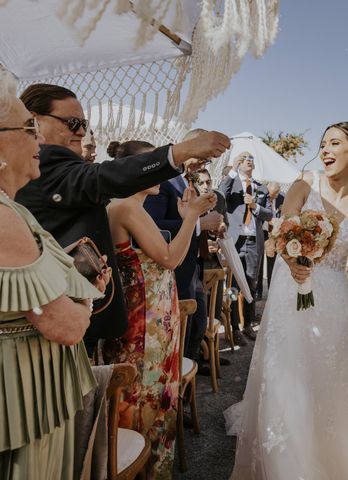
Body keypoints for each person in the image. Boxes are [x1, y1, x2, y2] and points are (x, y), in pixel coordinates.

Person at [15, 84, 230, 354]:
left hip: (75, 310)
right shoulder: (48, 162)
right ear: (34, 120)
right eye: (72, 122)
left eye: (83, 123)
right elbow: (105, 176)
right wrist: (180, 152)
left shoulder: (55, 169)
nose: (81, 131)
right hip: (58, 317)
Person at [224, 122, 348, 479]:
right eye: (323, 143)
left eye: (335, 144)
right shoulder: (305, 183)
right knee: (289, 375)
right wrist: (293, 260)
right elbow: (283, 231)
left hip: (336, 298)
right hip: (294, 288)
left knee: (332, 378)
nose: (325, 150)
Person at [0, 69, 103, 479]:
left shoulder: (14, 208)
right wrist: (86, 296)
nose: (40, 139)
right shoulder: (4, 216)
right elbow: (64, 327)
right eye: (29, 128)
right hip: (21, 396)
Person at [104, 139, 215, 478]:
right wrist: (192, 217)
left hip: (152, 318)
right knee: (146, 402)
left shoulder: (126, 206)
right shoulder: (127, 207)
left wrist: (185, 218)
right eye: (151, 162)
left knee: (152, 399)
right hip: (144, 327)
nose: (161, 170)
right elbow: (169, 259)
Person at [144, 129, 226, 365]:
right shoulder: (161, 180)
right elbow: (152, 226)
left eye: (208, 161)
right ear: (190, 144)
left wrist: (206, 228)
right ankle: (179, 388)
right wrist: (199, 223)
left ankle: (187, 377)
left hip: (190, 268)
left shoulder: (184, 179)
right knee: (182, 336)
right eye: (203, 156)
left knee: (197, 326)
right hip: (172, 271)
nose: (204, 164)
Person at [219, 152, 273, 344]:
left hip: (253, 242)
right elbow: (220, 195)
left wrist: (256, 206)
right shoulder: (231, 183)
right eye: (245, 159)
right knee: (232, 286)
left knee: (251, 284)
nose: (249, 160)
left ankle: (248, 324)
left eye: (252, 159)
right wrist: (232, 170)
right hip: (234, 241)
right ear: (239, 164)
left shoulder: (261, 188)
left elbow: (269, 214)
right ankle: (234, 328)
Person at [262, 181, 285, 293]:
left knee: (272, 261)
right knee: (260, 262)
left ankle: (272, 288)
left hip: (276, 236)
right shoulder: (263, 196)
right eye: (269, 194)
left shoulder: (284, 198)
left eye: (273, 195)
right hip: (264, 232)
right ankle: (258, 291)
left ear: (277, 193)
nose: (270, 197)